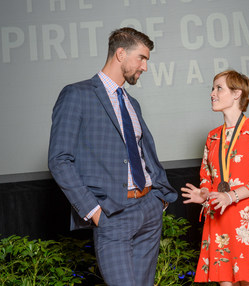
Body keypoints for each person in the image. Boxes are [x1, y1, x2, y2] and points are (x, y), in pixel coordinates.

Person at [48, 27, 178, 286]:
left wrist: (158, 200)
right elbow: (59, 159)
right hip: (112, 215)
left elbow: (143, 153)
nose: (145, 67)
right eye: (142, 58)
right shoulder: (77, 94)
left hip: (149, 210)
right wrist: (94, 212)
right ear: (120, 53)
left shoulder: (132, 103)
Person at [181, 70, 249, 285]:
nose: (212, 93)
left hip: (244, 216)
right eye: (212, 88)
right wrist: (203, 192)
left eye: (219, 88)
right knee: (224, 282)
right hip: (218, 215)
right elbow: (206, 176)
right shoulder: (212, 136)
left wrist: (231, 196)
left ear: (237, 93)